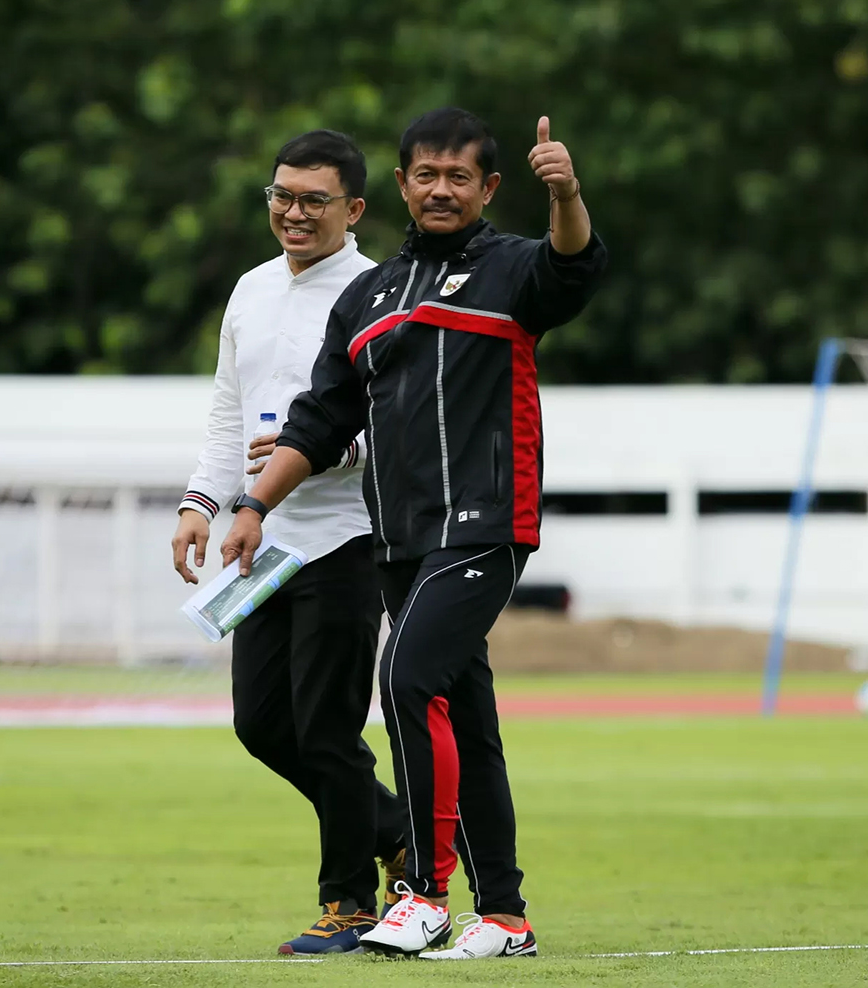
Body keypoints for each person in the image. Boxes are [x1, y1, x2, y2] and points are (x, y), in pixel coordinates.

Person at [219, 108, 607, 960]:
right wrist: (249, 508)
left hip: (486, 523)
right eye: (426, 175)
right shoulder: (368, 297)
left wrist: (567, 193)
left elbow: (574, 267)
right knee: (469, 720)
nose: (440, 189)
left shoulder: (513, 270)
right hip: (401, 540)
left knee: (404, 677)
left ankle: (425, 893)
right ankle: (504, 917)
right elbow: (319, 422)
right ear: (402, 185)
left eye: (458, 177)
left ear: (487, 189)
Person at [171, 129, 406, 956]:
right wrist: (202, 501)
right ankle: (401, 830)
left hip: (344, 534)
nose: (294, 213)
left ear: (356, 209)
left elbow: (400, 421)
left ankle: (348, 904)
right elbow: (228, 413)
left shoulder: (382, 290)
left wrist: (329, 453)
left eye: (314, 200)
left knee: (327, 729)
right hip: (257, 541)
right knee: (262, 724)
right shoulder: (249, 290)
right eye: (281, 196)